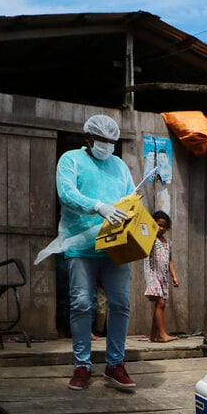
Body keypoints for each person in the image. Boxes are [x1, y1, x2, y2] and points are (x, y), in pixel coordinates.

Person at [54, 114, 137, 391]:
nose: (108, 146)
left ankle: (115, 364)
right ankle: (82, 365)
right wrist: (98, 206)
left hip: (115, 244)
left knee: (121, 303)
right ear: (88, 139)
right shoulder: (71, 160)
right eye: (102, 141)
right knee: (81, 304)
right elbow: (66, 193)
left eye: (112, 142)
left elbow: (128, 200)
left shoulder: (120, 166)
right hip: (81, 244)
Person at [144, 210, 180, 342]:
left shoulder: (167, 242)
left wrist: (174, 276)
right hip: (153, 274)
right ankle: (162, 334)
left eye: (164, 226)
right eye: (158, 225)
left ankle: (153, 335)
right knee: (160, 303)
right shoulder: (150, 239)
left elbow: (170, 261)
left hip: (163, 276)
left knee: (160, 304)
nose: (161, 228)